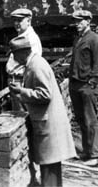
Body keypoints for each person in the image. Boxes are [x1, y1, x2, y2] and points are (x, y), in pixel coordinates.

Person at [8, 35, 76, 186]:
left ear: (22, 52)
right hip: (48, 121)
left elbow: (45, 94)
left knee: (49, 167)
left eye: (15, 54)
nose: (15, 58)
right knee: (51, 167)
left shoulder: (36, 66)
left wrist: (21, 91)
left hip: (48, 123)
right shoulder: (35, 63)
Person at [69, 9, 98, 166]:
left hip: (87, 85)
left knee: (91, 120)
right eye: (76, 21)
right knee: (82, 119)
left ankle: (97, 155)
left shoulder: (94, 39)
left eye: (80, 21)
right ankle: (87, 151)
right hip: (76, 84)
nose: (77, 24)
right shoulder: (78, 39)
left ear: (88, 22)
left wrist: (93, 82)